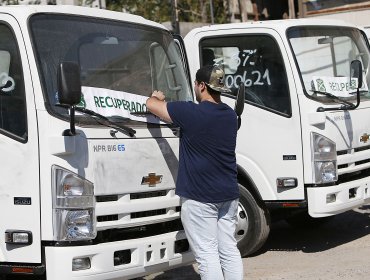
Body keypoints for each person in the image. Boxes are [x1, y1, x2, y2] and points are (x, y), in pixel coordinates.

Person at [146, 65, 243, 280]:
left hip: (200, 198)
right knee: (229, 250)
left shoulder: (190, 112)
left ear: (201, 86)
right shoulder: (229, 115)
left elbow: (151, 105)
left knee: (207, 254)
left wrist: (156, 96)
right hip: (229, 194)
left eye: (196, 85)